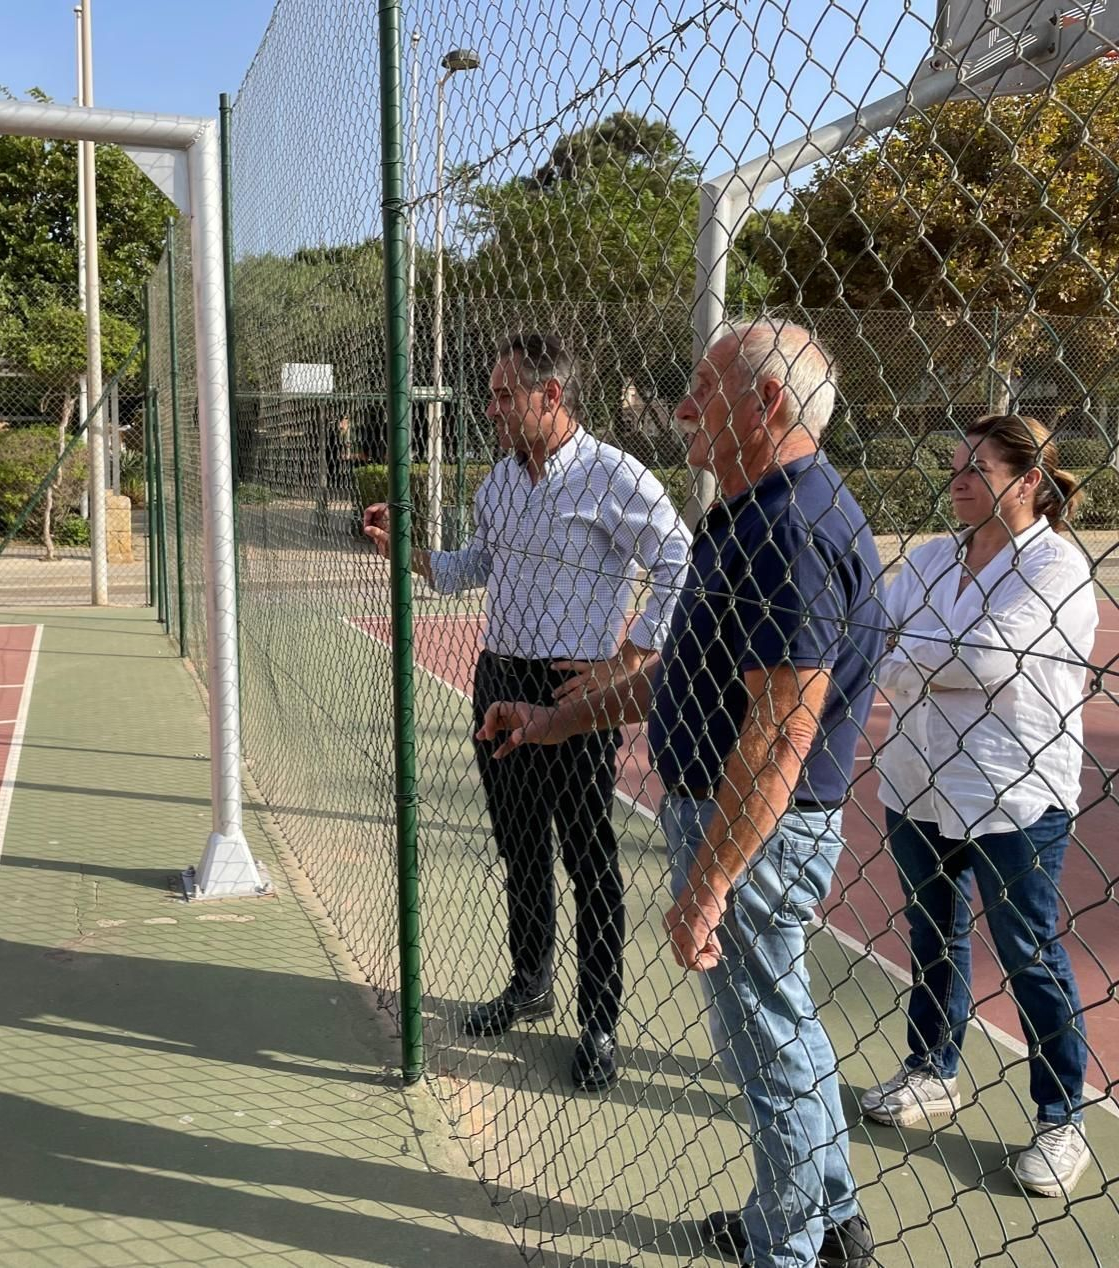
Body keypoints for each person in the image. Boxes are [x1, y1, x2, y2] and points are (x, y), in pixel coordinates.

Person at [476, 319, 879, 1268]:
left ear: (767, 404)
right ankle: (828, 1217)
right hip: (738, 825)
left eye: (704, 387)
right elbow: (685, 674)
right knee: (781, 1031)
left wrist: (707, 883)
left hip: (755, 834)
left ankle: (788, 1246)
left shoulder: (789, 530)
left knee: (764, 1049)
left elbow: (780, 731)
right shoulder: (750, 513)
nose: (684, 407)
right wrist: (551, 721)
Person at [362, 332, 690, 1091]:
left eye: (507, 394)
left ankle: (600, 1021)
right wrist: (404, 548)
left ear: (553, 396)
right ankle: (530, 981)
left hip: (573, 692)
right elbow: (469, 567)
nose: (492, 407)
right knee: (520, 844)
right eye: (492, 393)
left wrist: (632, 656)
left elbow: (677, 556)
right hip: (498, 677)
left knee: (588, 858)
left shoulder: (613, 473)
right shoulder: (501, 483)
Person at [863, 413, 1096, 1197]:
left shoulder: (1058, 569)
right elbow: (875, 632)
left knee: (1027, 951)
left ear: (1027, 482)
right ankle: (933, 1067)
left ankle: (1062, 1117)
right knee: (933, 935)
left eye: (978, 468)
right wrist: (919, 660)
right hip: (916, 779)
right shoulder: (930, 558)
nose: (957, 479)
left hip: (1013, 791)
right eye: (956, 465)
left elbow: (994, 658)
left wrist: (907, 661)